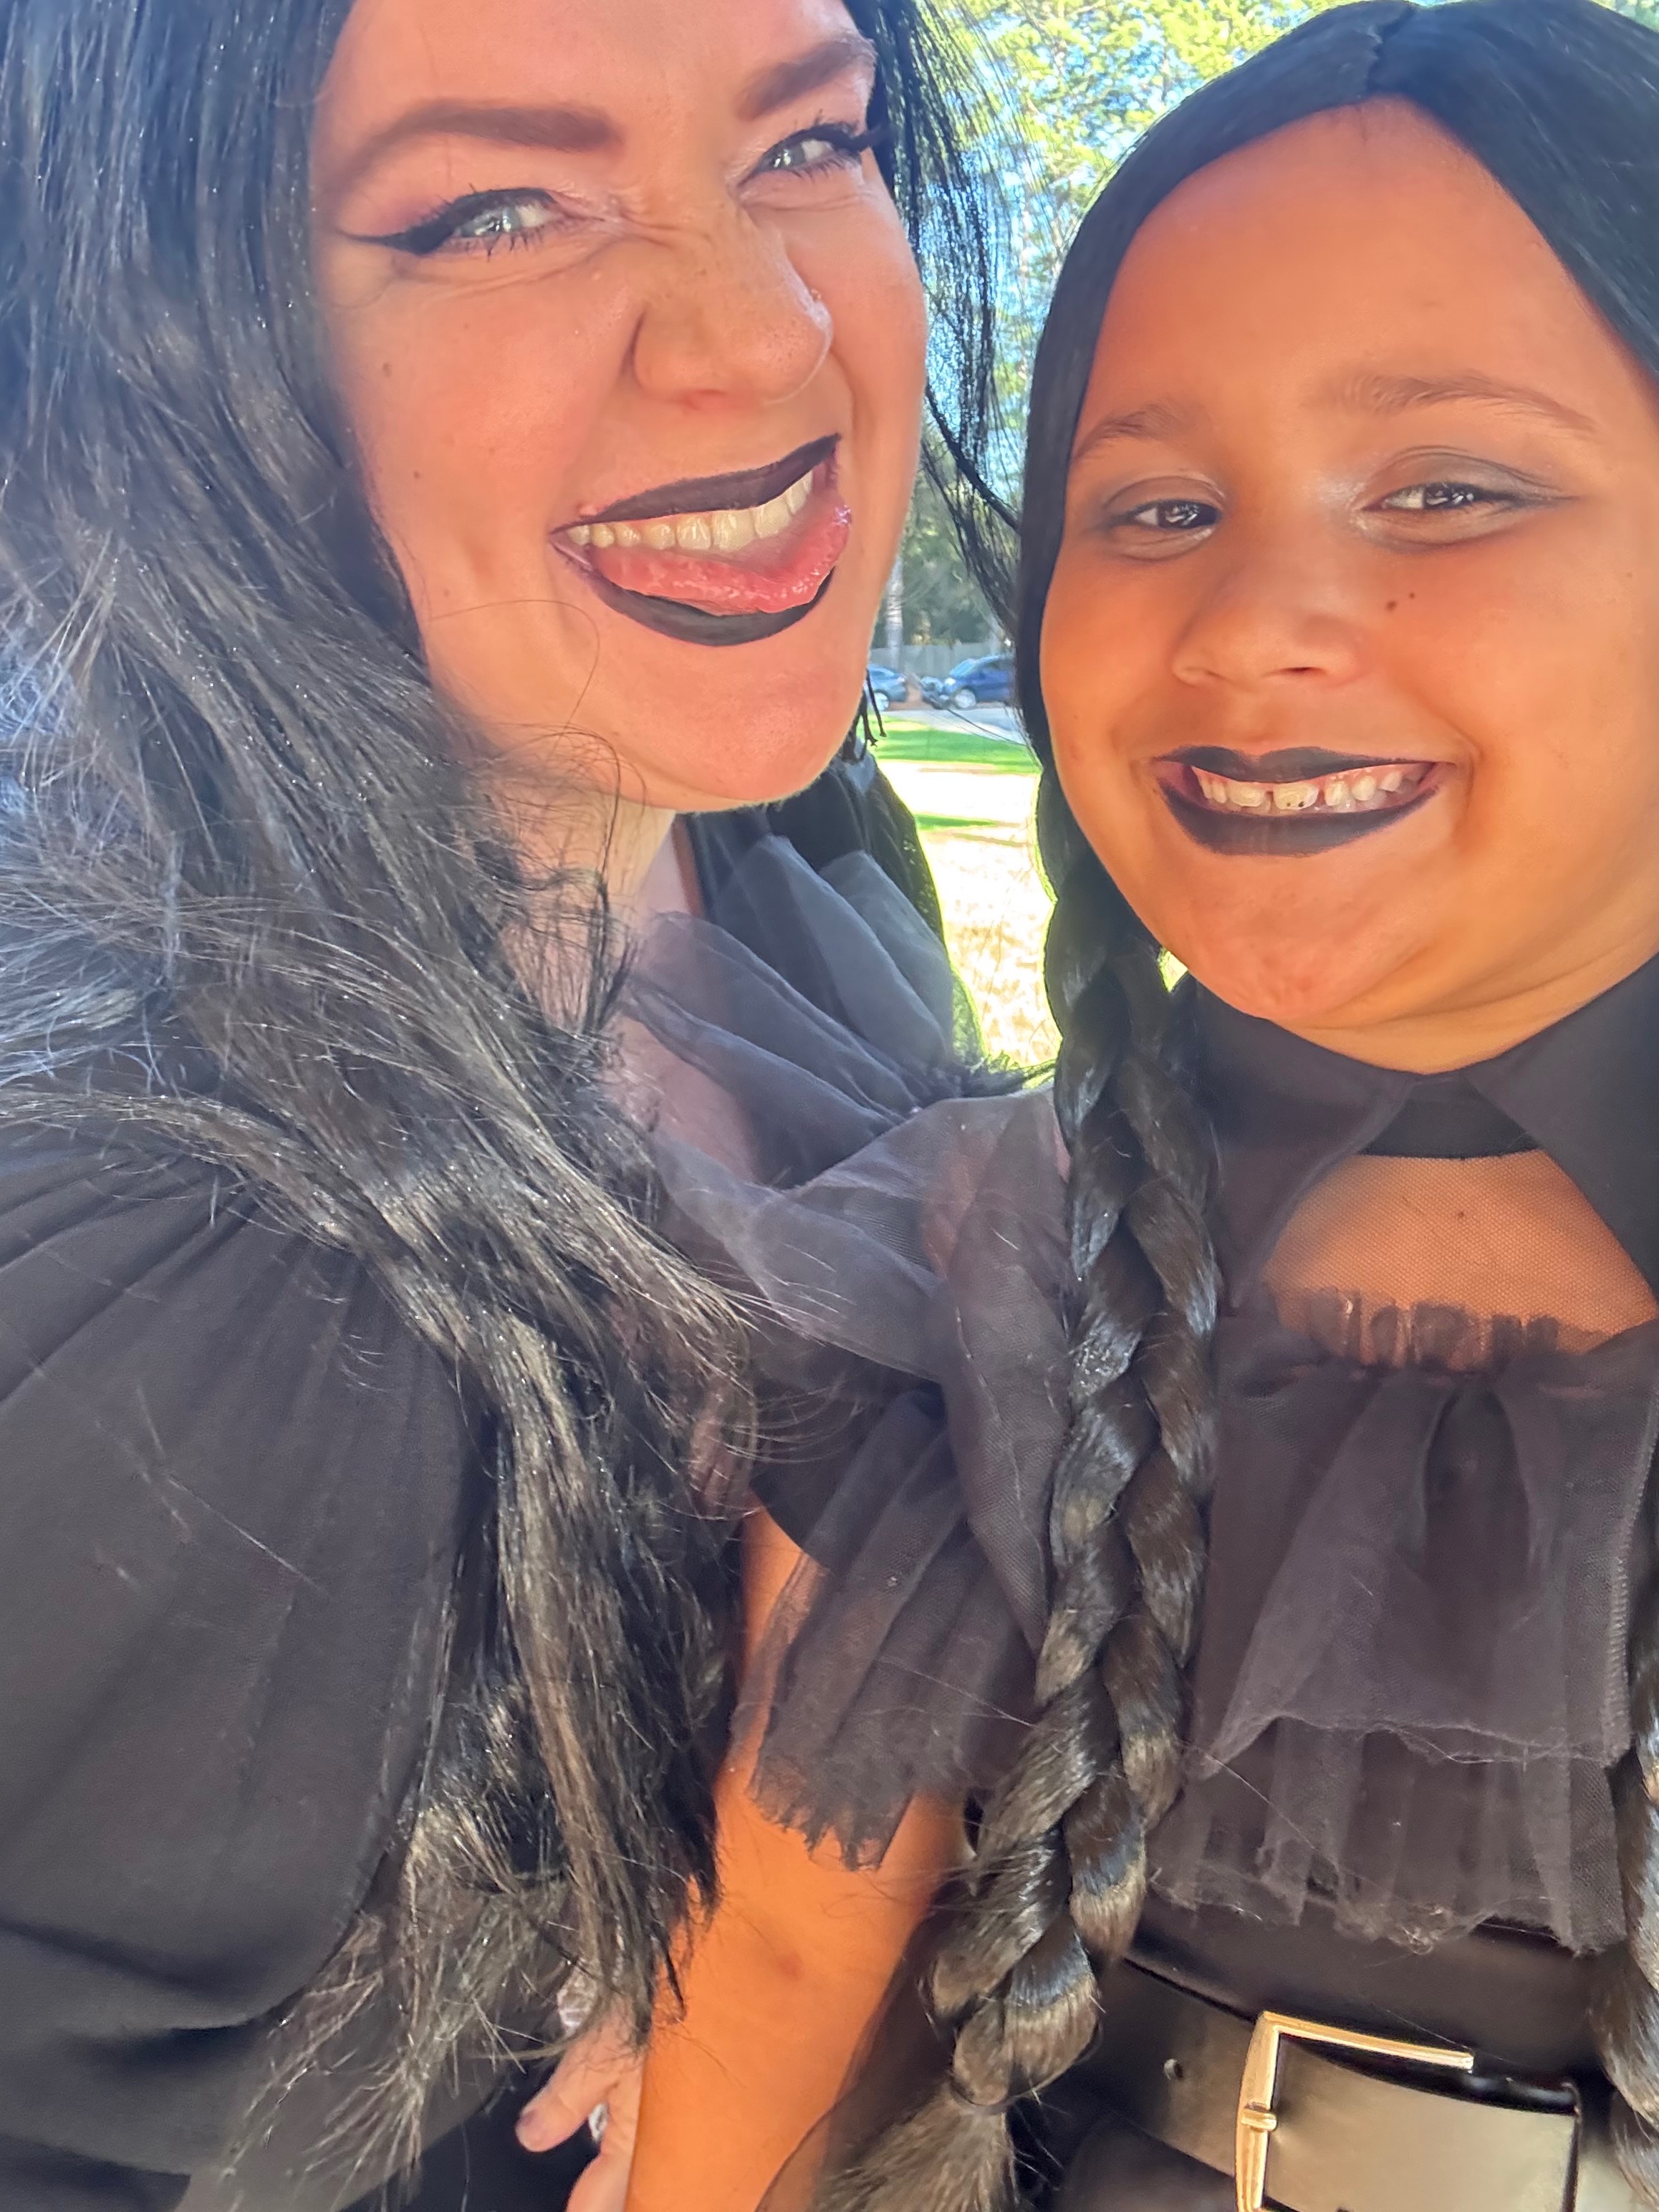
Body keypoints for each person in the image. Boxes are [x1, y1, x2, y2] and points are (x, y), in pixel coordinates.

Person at [619, 4, 1659, 2208]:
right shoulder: (972, 1263)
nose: (1252, 623)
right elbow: (788, 1959)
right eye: (1156, 508)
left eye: (1445, 491)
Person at [0, 0, 1009, 2206]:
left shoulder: (811, 862)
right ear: (173, 335)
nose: (761, 338)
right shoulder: (164, 1274)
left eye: (806, 142)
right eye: (491, 210)